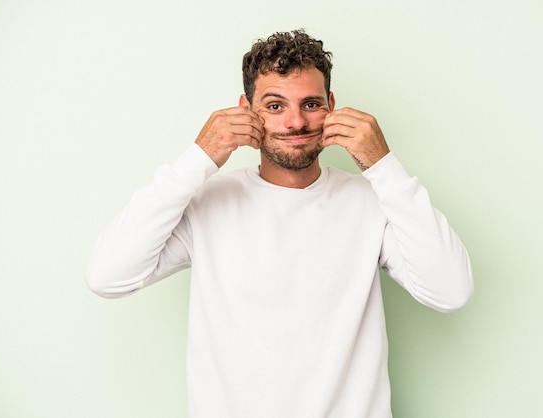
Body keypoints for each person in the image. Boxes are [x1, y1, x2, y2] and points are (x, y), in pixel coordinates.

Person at [86, 29, 474, 418]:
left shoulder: (371, 202)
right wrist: (199, 157)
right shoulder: (209, 203)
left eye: (310, 104)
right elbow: (108, 276)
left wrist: (383, 165)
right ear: (246, 110)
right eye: (274, 105)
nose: (295, 122)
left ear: (331, 106)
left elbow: (451, 291)